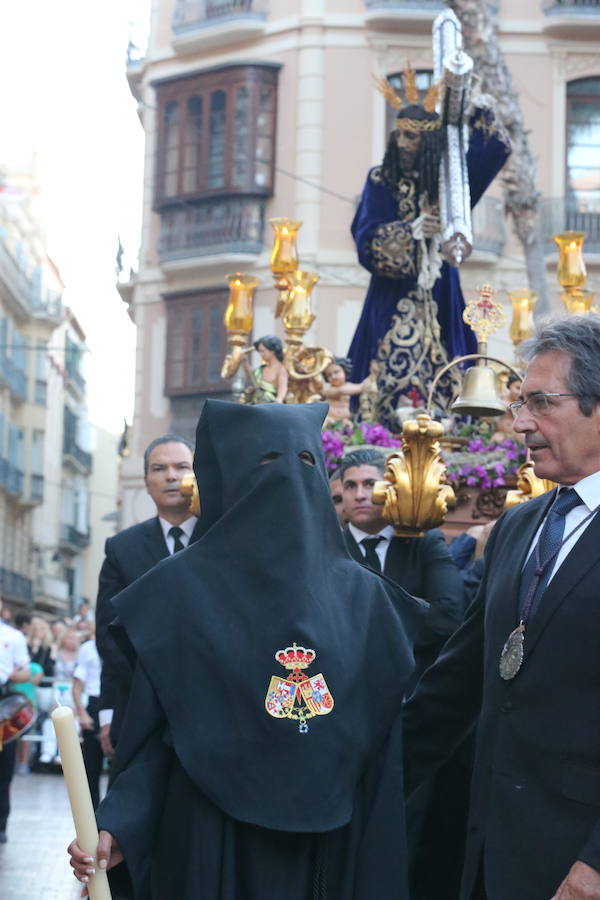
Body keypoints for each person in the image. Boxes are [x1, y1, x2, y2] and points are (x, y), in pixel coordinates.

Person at [69, 399, 425, 899]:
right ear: (228, 476)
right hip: (209, 847)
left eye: (303, 462)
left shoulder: (369, 601)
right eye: (265, 462)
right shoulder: (176, 594)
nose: (285, 479)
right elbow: (153, 738)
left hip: (327, 859)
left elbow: (383, 759)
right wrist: (121, 825)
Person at [403, 314, 600, 899]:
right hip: (491, 856)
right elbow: (459, 680)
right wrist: (360, 779)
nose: (519, 423)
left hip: (580, 869)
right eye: (518, 404)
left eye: (540, 403)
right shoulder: (518, 525)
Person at [348, 73, 510, 427]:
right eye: (400, 134)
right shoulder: (381, 180)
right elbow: (364, 238)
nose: (404, 143)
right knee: (379, 382)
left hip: (441, 290)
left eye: (413, 137)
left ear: (430, 142)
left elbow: (493, 151)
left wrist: (478, 110)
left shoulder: (451, 183)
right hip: (392, 295)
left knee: (454, 368)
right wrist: (410, 232)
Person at [96, 434, 200, 759]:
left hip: (213, 708)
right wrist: (151, 685)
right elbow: (108, 634)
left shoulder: (222, 538)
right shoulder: (121, 549)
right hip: (141, 711)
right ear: (146, 482)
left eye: (182, 467)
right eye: (160, 468)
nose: (171, 476)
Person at [341, 448, 464, 686]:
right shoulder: (329, 547)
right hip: (347, 684)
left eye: (369, 484)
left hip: (415, 685)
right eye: (350, 486)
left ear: (389, 489)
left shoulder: (423, 542)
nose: (359, 495)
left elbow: (448, 616)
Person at [0, 618, 31, 842]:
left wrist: (9, 673)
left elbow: (26, 672)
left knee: (3, 766)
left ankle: (1, 824)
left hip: (2, 698)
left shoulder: (13, 635)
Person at [72, 625, 104, 809]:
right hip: (94, 702)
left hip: (118, 703)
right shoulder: (88, 649)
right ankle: (92, 816)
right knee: (91, 766)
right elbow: (76, 685)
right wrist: (81, 713)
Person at [322, 357, 369, 427]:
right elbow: (341, 391)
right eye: (329, 375)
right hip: (329, 418)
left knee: (350, 428)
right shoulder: (328, 388)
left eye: (336, 372)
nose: (333, 376)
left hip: (344, 420)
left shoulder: (349, 386)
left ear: (344, 371)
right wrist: (361, 387)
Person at [242, 335, 288, 404]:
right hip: (256, 403)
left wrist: (279, 398)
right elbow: (252, 377)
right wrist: (245, 362)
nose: (261, 354)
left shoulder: (280, 369)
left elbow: (283, 386)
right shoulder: (262, 369)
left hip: (270, 404)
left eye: (263, 351)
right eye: (260, 351)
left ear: (272, 351)